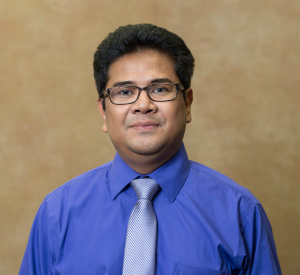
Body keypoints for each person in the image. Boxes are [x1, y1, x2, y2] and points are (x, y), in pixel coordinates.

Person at [19, 24, 282, 275]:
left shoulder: (240, 213)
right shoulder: (57, 212)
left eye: (159, 89)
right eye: (124, 92)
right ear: (103, 111)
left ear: (187, 104)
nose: (143, 105)